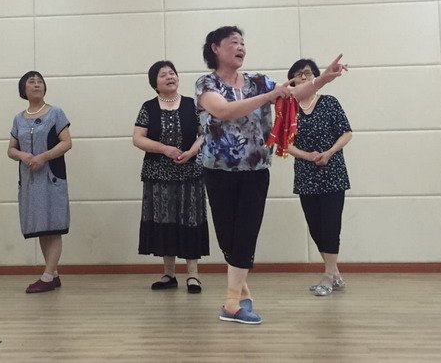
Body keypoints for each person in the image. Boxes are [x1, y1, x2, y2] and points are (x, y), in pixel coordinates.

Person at [195, 26, 346, 325]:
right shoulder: (206, 83)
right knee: (227, 237)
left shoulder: (258, 80)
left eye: (243, 43)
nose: (241, 47)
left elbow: (291, 95)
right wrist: (269, 97)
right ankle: (241, 294)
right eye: (234, 42)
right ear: (216, 48)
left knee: (246, 234)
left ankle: (232, 303)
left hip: (255, 170)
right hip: (218, 171)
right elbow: (224, 111)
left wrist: (324, 79)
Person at [133, 61, 209, 293]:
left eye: (172, 73)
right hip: (158, 173)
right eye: (163, 74)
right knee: (164, 221)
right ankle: (169, 274)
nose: (169, 76)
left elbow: (205, 133)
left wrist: (192, 151)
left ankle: (193, 275)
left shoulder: (192, 105)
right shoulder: (148, 107)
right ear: (154, 83)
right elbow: (138, 138)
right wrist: (164, 149)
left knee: (190, 220)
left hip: (190, 171)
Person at [285, 59, 352, 297]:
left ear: (315, 76)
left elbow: (346, 133)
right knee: (315, 227)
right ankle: (335, 274)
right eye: (298, 74)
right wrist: (308, 156)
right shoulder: (288, 109)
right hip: (306, 175)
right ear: (292, 80)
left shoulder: (329, 102)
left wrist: (329, 152)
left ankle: (328, 275)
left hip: (333, 172)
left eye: (307, 73)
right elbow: (285, 144)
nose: (303, 77)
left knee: (331, 225)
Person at [7, 71, 72, 293]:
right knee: (42, 228)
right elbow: (11, 149)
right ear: (23, 89)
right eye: (31, 82)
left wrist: (43, 157)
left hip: (52, 178)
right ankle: (53, 273)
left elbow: (66, 142)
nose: (37, 85)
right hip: (30, 181)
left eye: (40, 82)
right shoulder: (18, 118)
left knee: (53, 226)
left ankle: (47, 276)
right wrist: (23, 155)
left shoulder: (56, 113)